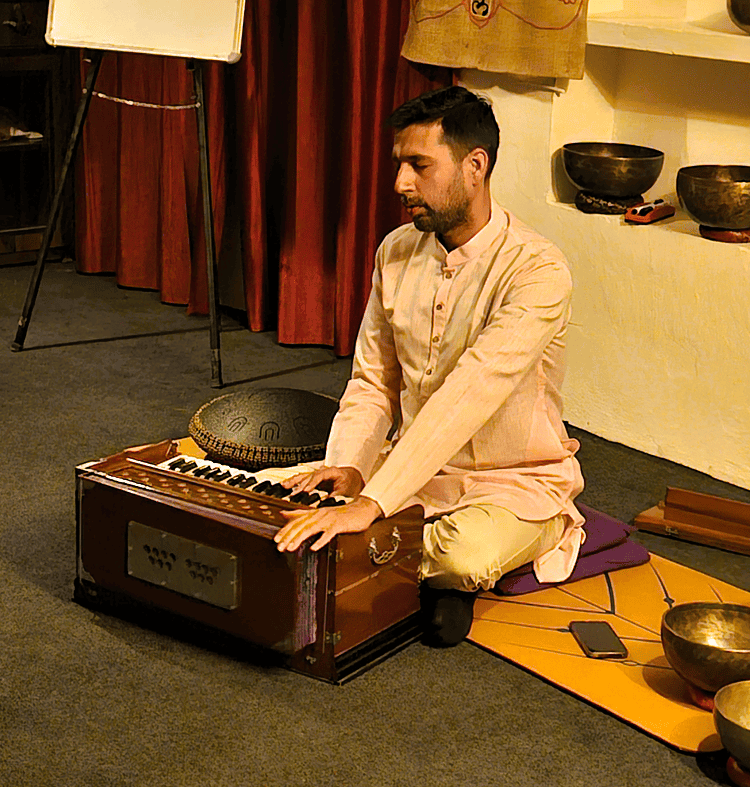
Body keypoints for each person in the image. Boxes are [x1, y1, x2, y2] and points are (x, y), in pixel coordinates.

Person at [275, 85, 584, 647]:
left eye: (419, 165)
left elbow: (469, 393)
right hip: (413, 473)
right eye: (399, 165)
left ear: (474, 167)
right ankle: (388, 561)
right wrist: (348, 469)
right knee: (284, 501)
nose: (400, 184)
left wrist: (370, 503)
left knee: (464, 557)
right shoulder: (396, 250)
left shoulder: (538, 271)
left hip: (511, 482)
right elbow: (373, 381)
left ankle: (420, 557)